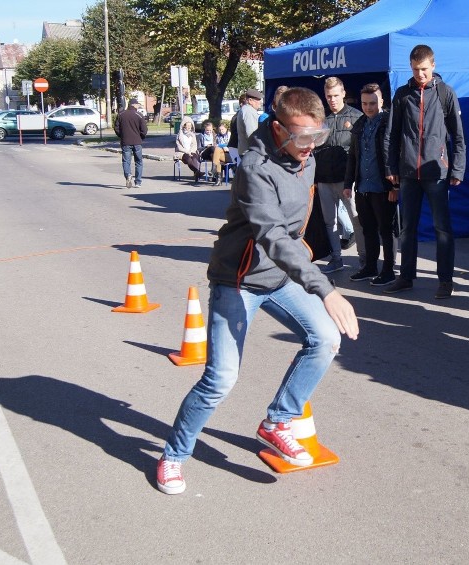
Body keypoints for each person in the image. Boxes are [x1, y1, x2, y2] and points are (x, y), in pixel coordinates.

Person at [156, 87, 360, 495]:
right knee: (221, 378)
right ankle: (174, 456)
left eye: (316, 138)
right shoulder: (255, 167)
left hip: (280, 278)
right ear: (278, 126)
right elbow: (272, 236)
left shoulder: (308, 158)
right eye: (302, 138)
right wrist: (326, 289)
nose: (310, 147)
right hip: (238, 280)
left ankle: (278, 420)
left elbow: (298, 228)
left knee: (325, 338)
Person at [383, 44, 466, 299]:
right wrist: (390, 167)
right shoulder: (402, 94)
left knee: (443, 229)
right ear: (410, 67)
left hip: (437, 173)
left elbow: (458, 136)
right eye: (416, 69)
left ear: (433, 65)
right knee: (407, 228)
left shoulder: (445, 93)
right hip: (408, 173)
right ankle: (406, 277)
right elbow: (391, 135)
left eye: (425, 69)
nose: (420, 74)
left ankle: (445, 281)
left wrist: (458, 168)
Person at [345, 83, 397, 286]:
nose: (368, 107)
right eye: (365, 103)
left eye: (373, 103)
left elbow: (395, 154)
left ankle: (389, 270)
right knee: (368, 229)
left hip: (383, 187)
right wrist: (348, 183)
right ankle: (370, 267)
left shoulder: (388, 123)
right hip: (363, 187)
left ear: (381, 101)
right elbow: (352, 157)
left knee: (387, 229)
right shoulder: (360, 124)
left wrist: (395, 186)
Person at [314, 77, 364, 274]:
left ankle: (364, 260)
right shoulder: (320, 119)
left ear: (343, 93)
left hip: (347, 179)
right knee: (330, 222)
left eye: (335, 95)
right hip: (324, 179)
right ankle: (336, 258)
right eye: (328, 96)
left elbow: (361, 151)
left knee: (356, 220)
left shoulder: (357, 117)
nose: (332, 100)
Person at [114, 98, 147, 189]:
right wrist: (141, 137)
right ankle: (138, 182)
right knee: (139, 161)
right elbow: (144, 130)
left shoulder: (121, 115)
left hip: (125, 142)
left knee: (126, 161)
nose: (138, 106)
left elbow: (116, 128)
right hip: (137, 142)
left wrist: (122, 136)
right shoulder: (139, 115)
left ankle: (128, 175)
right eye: (137, 104)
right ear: (134, 105)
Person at [197, 120, 228, 185]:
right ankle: (214, 172)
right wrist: (206, 146)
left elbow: (218, 145)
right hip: (205, 152)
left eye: (210, 130)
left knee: (217, 157)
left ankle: (217, 178)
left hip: (214, 154)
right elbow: (199, 148)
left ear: (212, 129)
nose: (209, 132)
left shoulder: (215, 135)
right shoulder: (200, 136)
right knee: (213, 148)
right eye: (207, 130)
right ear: (204, 129)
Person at [174, 116, 204, 182]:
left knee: (195, 158)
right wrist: (187, 152)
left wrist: (191, 151)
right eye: (187, 126)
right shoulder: (179, 135)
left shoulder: (192, 135)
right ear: (184, 126)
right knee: (188, 159)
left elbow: (194, 145)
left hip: (191, 151)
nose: (189, 127)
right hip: (182, 153)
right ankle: (197, 172)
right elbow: (179, 147)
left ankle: (196, 174)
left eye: (190, 126)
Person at [236, 88, 263, 156]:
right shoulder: (249, 111)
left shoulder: (245, 109)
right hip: (250, 152)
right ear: (250, 100)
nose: (260, 102)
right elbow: (252, 134)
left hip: (246, 151)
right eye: (258, 100)